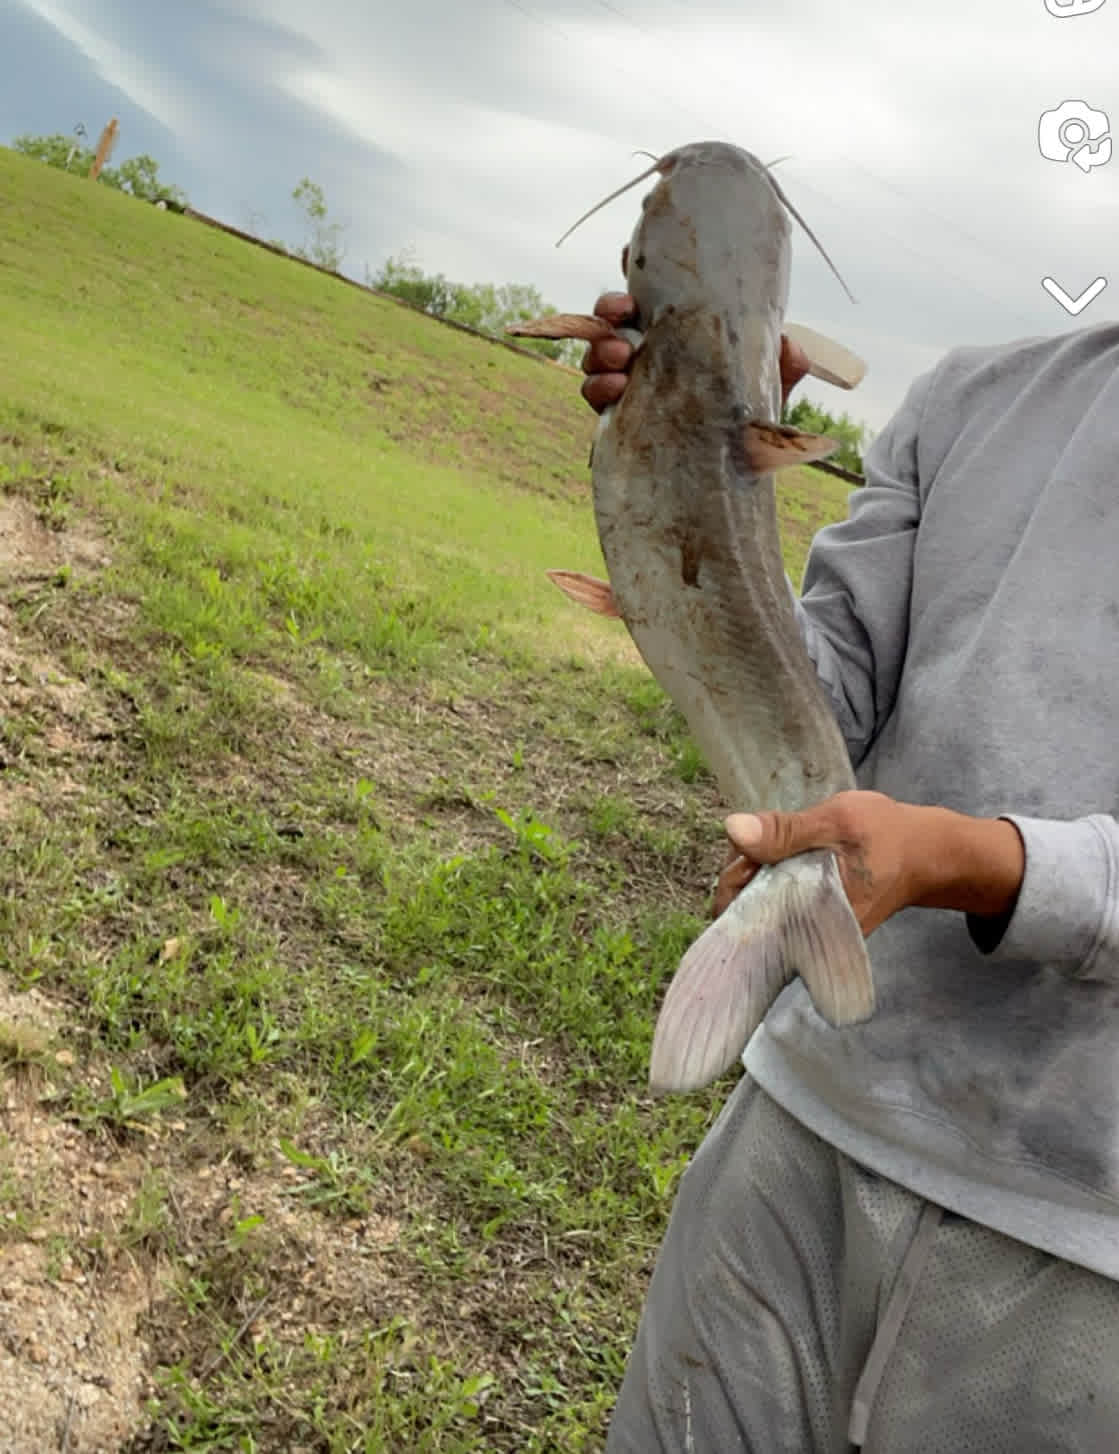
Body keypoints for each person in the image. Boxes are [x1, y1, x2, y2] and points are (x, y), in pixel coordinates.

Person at [581, 291, 1119, 1452]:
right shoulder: (975, 393)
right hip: (812, 1111)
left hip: (1086, 1255)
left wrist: (980, 863)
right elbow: (819, 711)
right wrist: (696, 491)